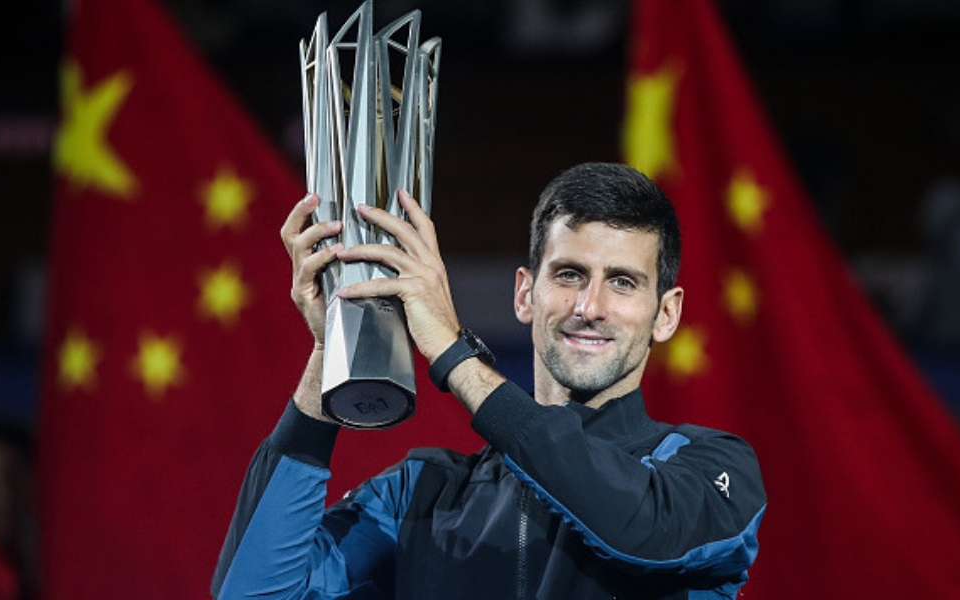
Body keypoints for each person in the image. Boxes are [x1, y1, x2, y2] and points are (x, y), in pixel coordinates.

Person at [211, 163, 766, 599]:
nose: (589, 307)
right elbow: (253, 592)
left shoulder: (710, 468)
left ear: (666, 314)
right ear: (525, 294)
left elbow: (640, 531)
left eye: (622, 282)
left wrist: (453, 351)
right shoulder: (421, 495)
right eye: (569, 274)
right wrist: (330, 350)